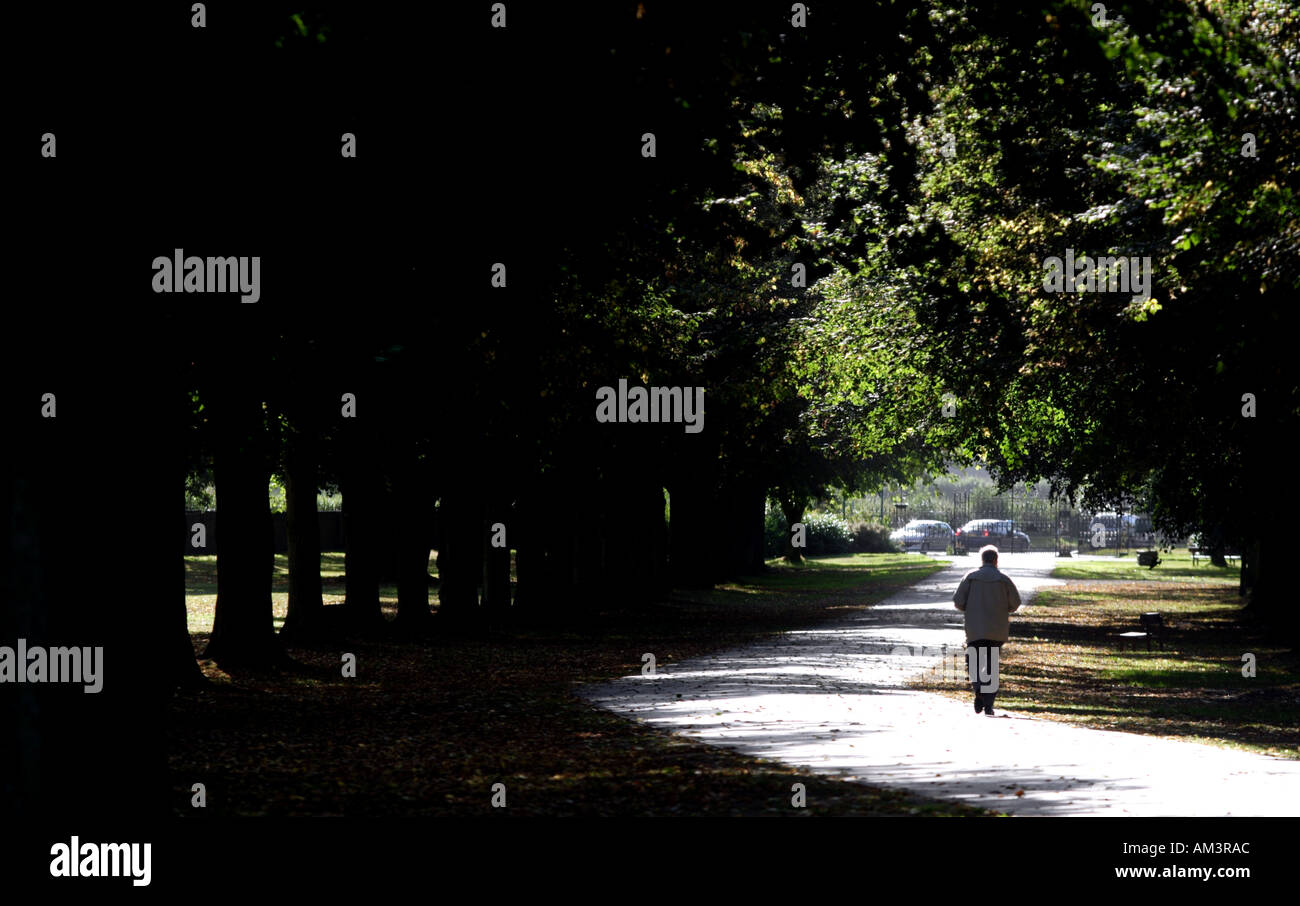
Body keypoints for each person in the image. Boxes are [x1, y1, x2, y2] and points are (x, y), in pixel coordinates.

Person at [952, 545, 1021, 716]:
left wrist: (970, 607)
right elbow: (1015, 603)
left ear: (982, 560)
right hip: (996, 630)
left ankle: (979, 689)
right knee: (991, 666)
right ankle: (989, 703)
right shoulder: (1004, 580)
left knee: (973, 662)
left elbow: (958, 601)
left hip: (975, 629)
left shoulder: (971, 577)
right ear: (996, 560)